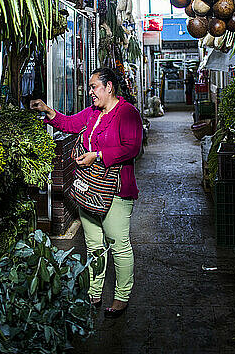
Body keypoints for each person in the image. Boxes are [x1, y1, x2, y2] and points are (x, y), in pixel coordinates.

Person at [30, 67, 142, 317]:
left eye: (94, 87)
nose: (90, 91)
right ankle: (94, 292)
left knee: (118, 244)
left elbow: (132, 148)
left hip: (116, 191)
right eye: (90, 87)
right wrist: (49, 111)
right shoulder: (93, 113)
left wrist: (98, 156)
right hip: (89, 190)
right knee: (93, 246)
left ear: (109, 87)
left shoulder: (127, 113)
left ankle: (122, 297)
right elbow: (70, 123)